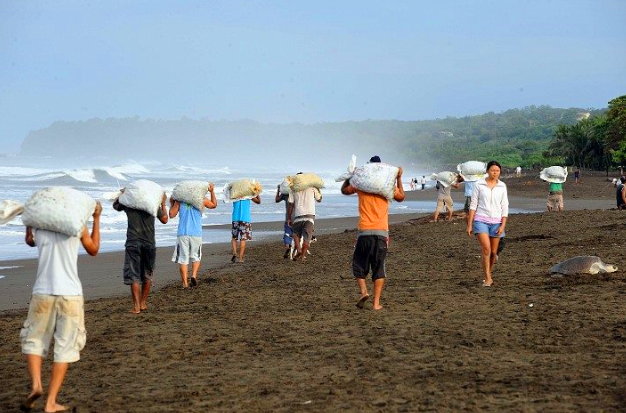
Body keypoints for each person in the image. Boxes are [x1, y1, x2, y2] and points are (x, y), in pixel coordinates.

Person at [20, 203, 101, 413]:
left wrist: (29, 223)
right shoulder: (76, 225)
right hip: (70, 293)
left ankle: (37, 385)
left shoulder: (40, 226)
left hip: (42, 291)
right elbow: (93, 249)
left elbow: (29, 241)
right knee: (65, 347)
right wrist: (96, 219)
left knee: (34, 340)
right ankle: (50, 402)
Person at [341, 155, 405, 310]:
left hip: (364, 231)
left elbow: (344, 190)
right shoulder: (387, 185)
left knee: (358, 264)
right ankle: (376, 304)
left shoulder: (362, 184)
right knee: (379, 268)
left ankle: (363, 291)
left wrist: (350, 176)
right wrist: (398, 178)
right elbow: (401, 197)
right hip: (381, 232)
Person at [113, 191, 168, 314]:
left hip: (133, 243)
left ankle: (136, 306)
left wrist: (122, 194)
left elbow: (116, 206)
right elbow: (165, 219)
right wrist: (163, 204)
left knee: (134, 275)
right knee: (147, 274)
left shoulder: (129, 205)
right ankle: (143, 303)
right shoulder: (152, 205)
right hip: (149, 243)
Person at [466, 160, 508, 287]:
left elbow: (505, 206)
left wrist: (503, 225)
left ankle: (488, 273)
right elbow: (473, 205)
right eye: (492, 170)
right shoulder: (479, 184)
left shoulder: (502, 186)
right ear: (487, 171)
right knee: (486, 249)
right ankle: (488, 278)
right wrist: (470, 224)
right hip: (481, 220)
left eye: (497, 171)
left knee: (494, 253)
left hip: (496, 221)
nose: (495, 173)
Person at [169, 183, 217, 288]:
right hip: (196, 233)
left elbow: (171, 215)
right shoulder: (201, 200)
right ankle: (194, 275)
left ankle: (185, 283)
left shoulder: (179, 201)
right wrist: (212, 191)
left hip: (183, 233)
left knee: (183, 259)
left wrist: (171, 202)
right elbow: (213, 205)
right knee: (196, 257)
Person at [287, 173, 322, 261]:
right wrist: (318, 190)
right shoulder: (312, 187)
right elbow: (319, 200)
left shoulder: (293, 189)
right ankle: (302, 257)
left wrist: (289, 218)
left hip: (298, 214)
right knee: (307, 237)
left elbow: (290, 205)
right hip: (310, 215)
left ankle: (298, 249)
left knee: (295, 233)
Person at [231, 194, 261, 263]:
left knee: (234, 237)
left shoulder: (234, 194)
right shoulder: (248, 195)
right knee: (243, 238)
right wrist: (257, 193)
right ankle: (240, 258)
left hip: (235, 218)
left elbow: (226, 198)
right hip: (245, 219)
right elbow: (258, 201)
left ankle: (235, 253)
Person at [275, 184, 293, 259]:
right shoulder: (299, 193)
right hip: (298, 218)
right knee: (297, 235)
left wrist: (278, 190)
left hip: (288, 218)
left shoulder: (286, 194)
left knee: (287, 234)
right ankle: (295, 251)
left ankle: (287, 247)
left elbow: (277, 200)